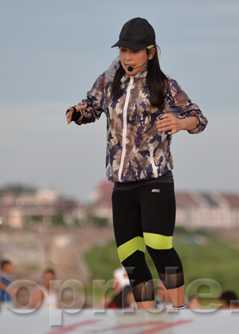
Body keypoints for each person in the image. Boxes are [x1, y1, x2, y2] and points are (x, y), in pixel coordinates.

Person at [66, 17, 207, 311]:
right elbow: (91, 105)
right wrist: (78, 113)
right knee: (130, 256)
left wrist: (180, 123)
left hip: (155, 180)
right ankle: (147, 319)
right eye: (123, 51)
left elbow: (199, 118)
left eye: (134, 51)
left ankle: (180, 312)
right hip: (121, 185)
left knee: (158, 246)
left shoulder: (165, 85)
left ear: (150, 53)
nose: (127, 57)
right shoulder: (109, 80)